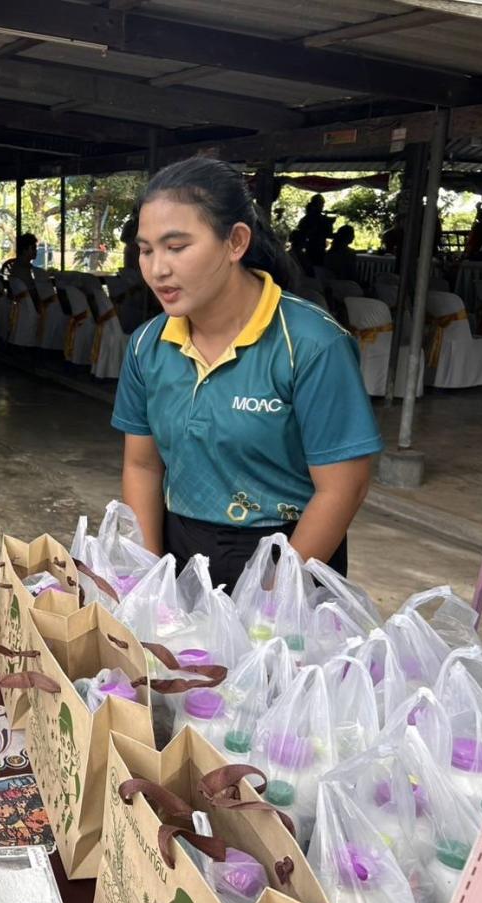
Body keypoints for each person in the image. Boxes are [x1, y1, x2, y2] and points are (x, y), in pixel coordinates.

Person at [111, 157, 381, 591]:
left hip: (291, 554)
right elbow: (142, 465)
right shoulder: (148, 345)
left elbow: (343, 488)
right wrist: (151, 575)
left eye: (176, 247)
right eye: (146, 250)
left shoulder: (310, 344)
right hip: (180, 548)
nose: (158, 269)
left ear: (235, 242)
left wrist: (270, 598)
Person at [292, 194, 333, 268]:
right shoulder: (318, 218)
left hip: (310, 249)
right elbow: (328, 233)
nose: (323, 206)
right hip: (315, 249)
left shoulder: (307, 218)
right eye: (321, 203)